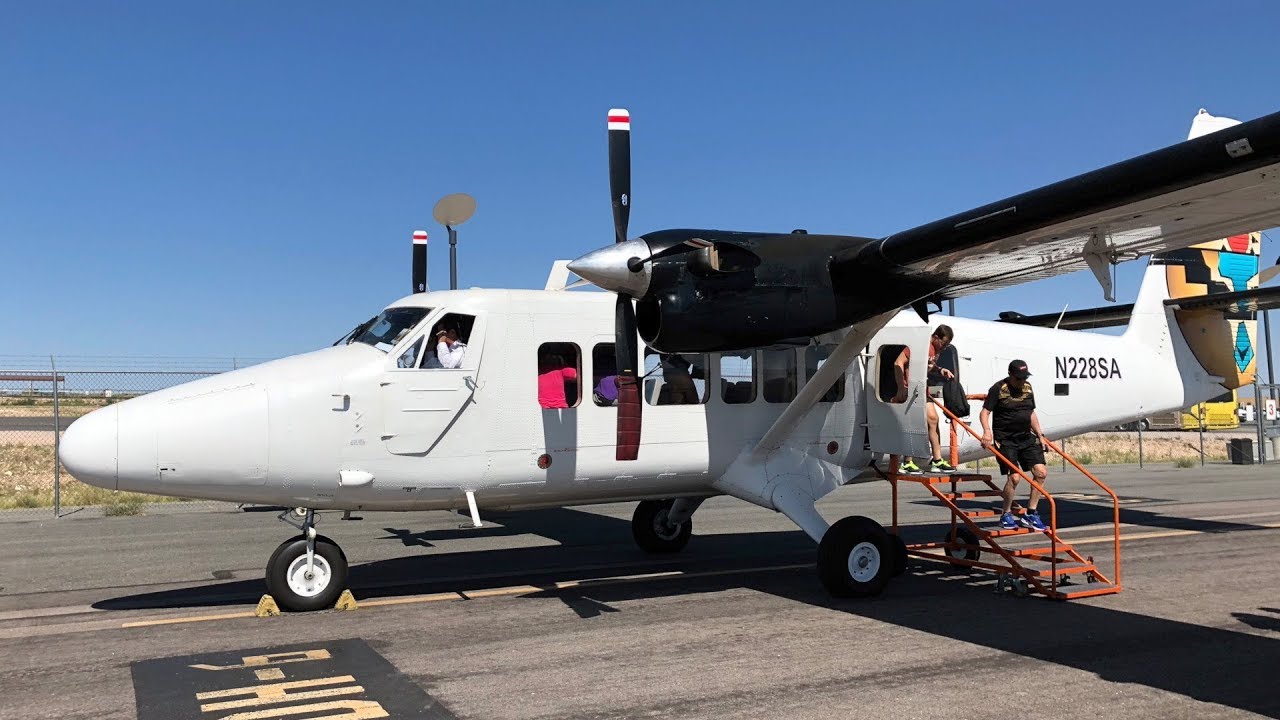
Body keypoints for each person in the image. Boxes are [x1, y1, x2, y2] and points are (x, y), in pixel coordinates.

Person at [980, 359, 1049, 531]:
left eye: (1024, 377)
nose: (1022, 381)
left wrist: (1040, 435)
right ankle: (1006, 514)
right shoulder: (998, 388)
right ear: (1010, 375)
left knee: (1041, 472)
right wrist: (987, 432)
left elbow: (1031, 413)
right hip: (1005, 439)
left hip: (1026, 437)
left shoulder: (1028, 387)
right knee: (1015, 477)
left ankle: (1031, 513)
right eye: (1018, 378)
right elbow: (985, 412)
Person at [892, 325, 957, 474]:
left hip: (922, 390)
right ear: (936, 337)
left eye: (947, 345)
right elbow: (898, 362)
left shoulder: (936, 351)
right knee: (913, 423)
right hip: (911, 389)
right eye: (944, 343)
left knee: (933, 419)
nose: (944, 347)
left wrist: (940, 370)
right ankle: (907, 462)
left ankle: (937, 460)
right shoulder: (920, 345)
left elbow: (929, 365)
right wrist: (901, 387)